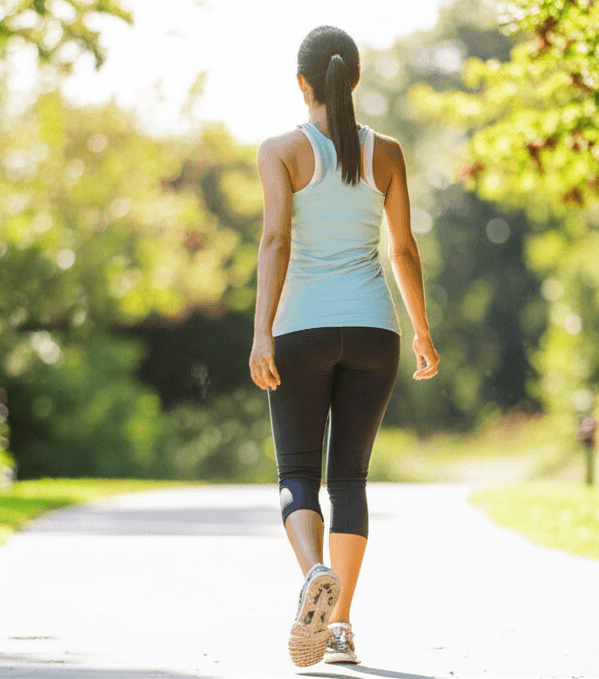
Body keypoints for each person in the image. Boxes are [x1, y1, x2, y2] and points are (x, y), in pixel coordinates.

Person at [249, 25, 441, 668]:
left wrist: (260, 334)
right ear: (353, 80)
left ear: (302, 83)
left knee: (297, 474)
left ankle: (313, 576)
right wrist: (421, 330)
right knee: (350, 478)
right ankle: (340, 628)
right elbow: (404, 248)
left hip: (300, 329)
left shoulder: (281, 151)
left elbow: (275, 241)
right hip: (374, 332)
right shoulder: (385, 152)